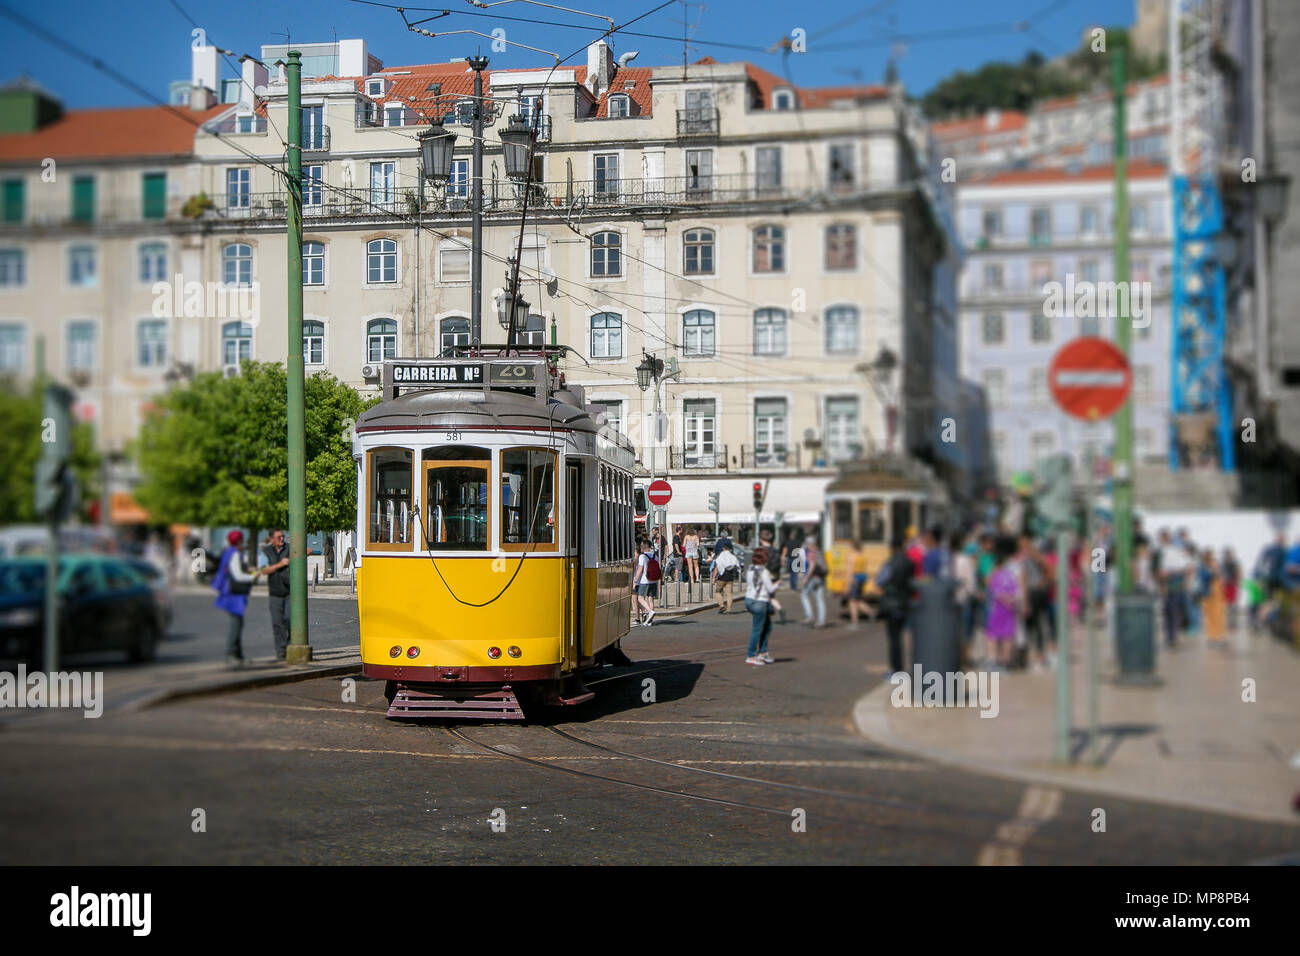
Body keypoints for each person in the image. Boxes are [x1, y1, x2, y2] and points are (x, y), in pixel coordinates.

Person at [213, 530, 261, 666]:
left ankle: (238, 656)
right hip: (233, 594)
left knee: (238, 622)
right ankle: (232, 654)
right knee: (236, 623)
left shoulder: (229, 552)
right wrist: (253, 576)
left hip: (229, 592)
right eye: (242, 540)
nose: (243, 542)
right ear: (238, 541)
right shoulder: (234, 553)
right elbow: (237, 575)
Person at [876, 535, 915, 678]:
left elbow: (879, 581)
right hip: (906, 602)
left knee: (894, 639)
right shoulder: (909, 563)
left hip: (891, 604)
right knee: (909, 637)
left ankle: (896, 670)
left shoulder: (890, 563)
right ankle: (913, 666)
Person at [984, 536, 1021, 669]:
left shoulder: (996, 571)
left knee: (992, 634)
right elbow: (1018, 590)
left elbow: (990, 585)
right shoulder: (1014, 569)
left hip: (996, 607)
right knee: (1007, 635)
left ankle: (992, 660)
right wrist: (1011, 600)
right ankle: (1005, 663)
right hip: (1010, 607)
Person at [1156, 529, 1192, 648]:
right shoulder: (1161, 552)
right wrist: (1163, 585)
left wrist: (1185, 580)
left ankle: (1173, 636)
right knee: (1169, 612)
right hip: (1170, 584)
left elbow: (1188, 567)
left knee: (1177, 612)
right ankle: (1171, 637)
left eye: (1165, 538)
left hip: (1177, 583)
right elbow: (1161, 572)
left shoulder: (1176, 550)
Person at [744, 546, 778, 665]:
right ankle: (751, 655)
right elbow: (770, 588)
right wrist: (778, 583)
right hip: (760, 601)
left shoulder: (750, 569)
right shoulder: (764, 571)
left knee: (767, 626)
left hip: (749, 600)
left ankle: (763, 652)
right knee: (757, 629)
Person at [261, 528, 292, 661]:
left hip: (289, 591)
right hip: (275, 592)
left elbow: (307, 551)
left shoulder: (290, 548)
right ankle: (281, 651)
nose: (282, 539)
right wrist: (280, 564)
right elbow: (264, 570)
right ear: (272, 539)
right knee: (277, 623)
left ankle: (291, 647)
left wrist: (307, 552)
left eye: (283, 536)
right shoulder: (266, 551)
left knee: (289, 619)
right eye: (278, 537)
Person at [798, 537, 828, 628]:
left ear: (809, 544)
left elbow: (812, 565)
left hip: (813, 578)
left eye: (807, 544)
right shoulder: (819, 552)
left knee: (804, 595)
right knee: (820, 600)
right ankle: (821, 621)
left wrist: (806, 578)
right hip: (821, 578)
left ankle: (809, 616)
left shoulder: (811, 552)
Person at [1201, 549, 1227, 646]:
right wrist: (1213, 572)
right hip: (1208, 594)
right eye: (1211, 558)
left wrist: (1217, 572)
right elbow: (1204, 577)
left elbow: (1220, 578)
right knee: (1210, 616)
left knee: (1219, 615)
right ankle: (1212, 637)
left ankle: (1218, 636)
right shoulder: (1203, 567)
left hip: (1218, 595)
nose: (1213, 560)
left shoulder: (1215, 566)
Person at [632, 537, 659, 626]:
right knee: (651, 599)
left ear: (643, 547)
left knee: (640, 598)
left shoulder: (642, 556)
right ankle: (650, 621)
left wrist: (635, 581)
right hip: (653, 580)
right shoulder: (656, 556)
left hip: (645, 580)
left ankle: (650, 611)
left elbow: (640, 570)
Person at [711, 540, 741, 615]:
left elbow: (717, 567)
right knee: (729, 594)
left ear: (724, 548)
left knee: (718, 591)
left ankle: (721, 605)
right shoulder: (733, 556)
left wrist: (714, 577)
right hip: (730, 576)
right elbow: (738, 567)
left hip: (722, 576)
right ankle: (728, 610)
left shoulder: (721, 556)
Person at [1222, 548, 1240, 628]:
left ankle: (1233, 623)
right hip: (1225, 586)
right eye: (1226, 554)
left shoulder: (1234, 563)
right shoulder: (1222, 564)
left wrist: (1237, 582)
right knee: (1227, 605)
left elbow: (1238, 573)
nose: (1227, 555)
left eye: (1228, 554)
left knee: (1233, 605)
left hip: (1232, 585)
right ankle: (1228, 623)